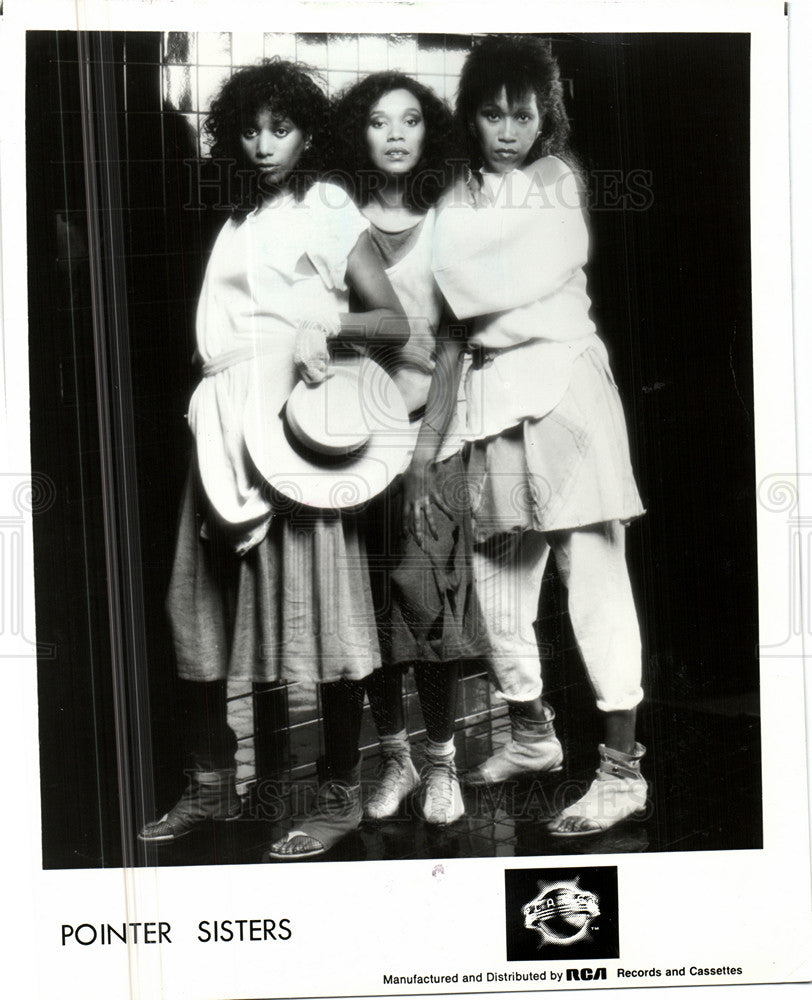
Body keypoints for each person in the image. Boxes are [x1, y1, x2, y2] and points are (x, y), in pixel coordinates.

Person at [137, 58, 410, 857]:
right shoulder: (235, 215)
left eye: (280, 128)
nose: (263, 144)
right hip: (219, 423)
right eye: (250, 130)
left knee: (320, 619)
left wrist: (325, 330)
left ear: (307, 133)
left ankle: (337, 795)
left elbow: (392, 322)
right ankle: (210, 787)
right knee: (197, 613)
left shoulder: (327, 205)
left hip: (293, 429)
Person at [406, 35, 647, 836]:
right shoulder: (455, 198)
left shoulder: (555, 180)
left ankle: (621, 774)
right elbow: (444, 308)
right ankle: (533, 734)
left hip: (564, 384)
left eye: (522, 115)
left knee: (594, 575)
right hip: (491, 395)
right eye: (490, 114)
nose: (506, 130)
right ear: (470, 116)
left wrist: (465, 283)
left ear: (545, 118)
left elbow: (476, 281)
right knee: (498, 584)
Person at [328, 72, 489, 829]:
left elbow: (456, 345)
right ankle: (391, 757)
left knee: (430, 611)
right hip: (353, 448)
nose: (394, 133)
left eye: (411, 120)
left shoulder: (448, 222)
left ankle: (442, 766)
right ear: (355, 134)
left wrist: (427, 452)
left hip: (433, 438)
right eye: (378, 121)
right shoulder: (336, 227)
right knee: (372, 613)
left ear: (431, 134)